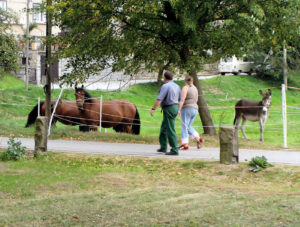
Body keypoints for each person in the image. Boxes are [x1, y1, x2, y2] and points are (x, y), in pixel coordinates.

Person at [150, 71, 182, 155]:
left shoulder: (165, 86)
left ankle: (174, 149)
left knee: (170, 129)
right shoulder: (177, 86)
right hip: (175, 107)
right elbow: (180, 100)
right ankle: (163, 147)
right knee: (164, 128)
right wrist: (179, 110)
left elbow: (159, 99)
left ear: (164, 78)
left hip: (169, 108)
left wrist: (153, 108)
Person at [178, 75, 203, 150]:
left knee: (184, 126)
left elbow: (182, 99)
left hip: (187, 108)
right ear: (192, 81)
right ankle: (199, 139)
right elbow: (197, 99)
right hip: (195, 109)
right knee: (188, 126)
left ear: (185, 81)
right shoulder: (195, 88)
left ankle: (185, 144)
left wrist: (179, 109)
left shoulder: (185, 88)